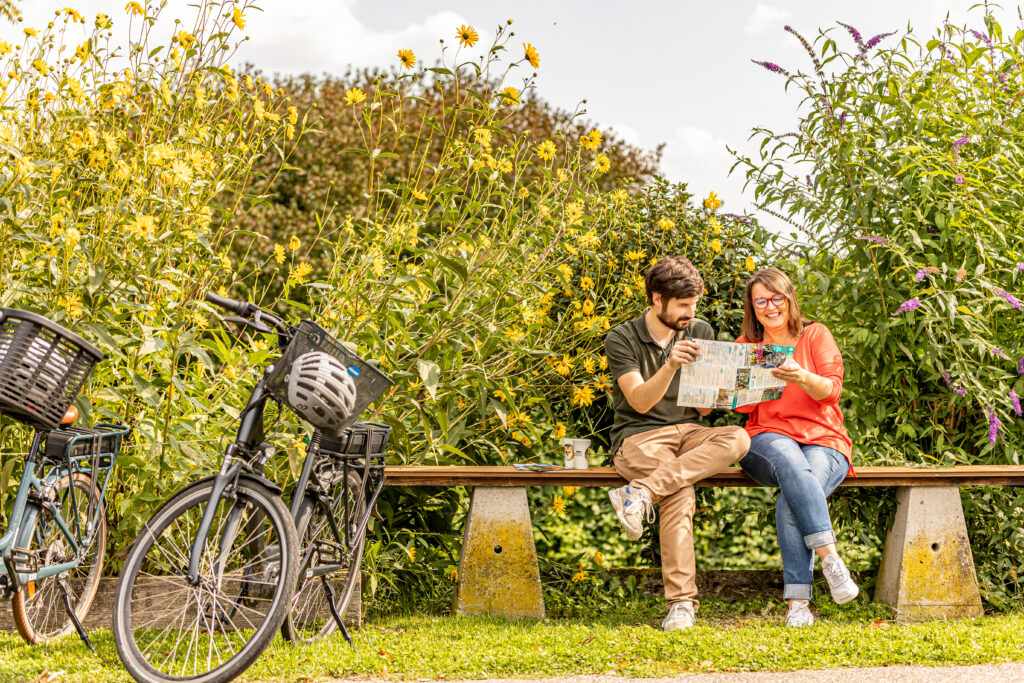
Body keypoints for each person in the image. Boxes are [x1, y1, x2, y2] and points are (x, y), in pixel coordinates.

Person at [605, 255, 750, 631]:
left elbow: (702, 410)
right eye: (683, 305)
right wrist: (670, 364)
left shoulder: (699, 329)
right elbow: (638, 402)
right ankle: (682, 604)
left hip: (690, 433)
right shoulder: (621, 337)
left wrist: (729, 386)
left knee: (738, 437)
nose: (690, 313)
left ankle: (639, 493)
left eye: (694, 304)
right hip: (639, 438)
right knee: (680, 494)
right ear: (657, 299)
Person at [734, 267, 858, 627]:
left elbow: (831, 392)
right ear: (752, 307)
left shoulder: (815, 334)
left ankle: (798, 604)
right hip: (767, 437)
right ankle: (831, 557)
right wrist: (747, 381)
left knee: (796, 491)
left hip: (824, 438)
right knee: (791, 463)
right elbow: (741, 408)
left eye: (777, 298)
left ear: (789, 298)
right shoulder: (746, 347)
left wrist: (800, 375)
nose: (770, 306)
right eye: (761, 300)